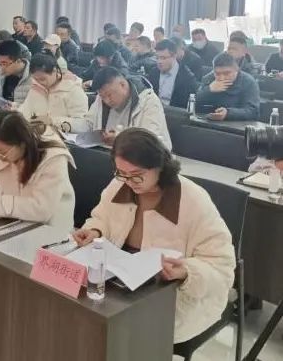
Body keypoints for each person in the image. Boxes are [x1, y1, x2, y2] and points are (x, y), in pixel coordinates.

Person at [73, 128, 235, 344]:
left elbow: (222, 268)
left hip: (174, 298)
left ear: (159, 166)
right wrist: (95, 232)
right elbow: (101, 218)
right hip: (120, 287)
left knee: (122, 337)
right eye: (121, 173)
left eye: (137, 174)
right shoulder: (120, 184)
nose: (129, 181)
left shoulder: (194, 200)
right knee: (81, 318)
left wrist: (187, 271)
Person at [0, 110, 76, 228]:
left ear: (22, 144)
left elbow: (41, 209)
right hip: (9, 223)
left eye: (3, 152)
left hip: (49, 228)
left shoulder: (53, 157)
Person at [71, 67, 172, 149]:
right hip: (108, 155)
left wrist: (121, 140)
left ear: (122, 85)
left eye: (109, 95)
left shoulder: (148, 101)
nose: (107, 101)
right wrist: (66, 125)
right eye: (103, 97)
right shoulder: (101, 98)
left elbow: (152, 142)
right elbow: (88, 124)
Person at [19, 53, 88, 132]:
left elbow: (83, 125)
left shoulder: (72, 90)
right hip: (37, 134)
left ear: (55, 71)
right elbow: (25, 112)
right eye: (36, 79)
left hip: (62, 137)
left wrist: (52, 121)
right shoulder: (35, 88)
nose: (39, 82)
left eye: (42, 79)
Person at [196, 53, 260, 121]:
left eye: (227, 73)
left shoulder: (249, 82)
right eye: (217, 74)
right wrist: (208, 90)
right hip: (208, 120)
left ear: (236, 70)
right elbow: (193, 102)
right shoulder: (209, 78)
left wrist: (228, 113)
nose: (222, 78)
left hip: (237, 124)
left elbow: (253, 112)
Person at [148, 39, 197, 109]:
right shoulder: (153, 72)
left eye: (163, 58)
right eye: (157, 58)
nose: (159, 62)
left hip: (175, 113)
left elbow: (185, 107)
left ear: (174, 56)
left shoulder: (187, 78)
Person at [0, 40, 32, 104]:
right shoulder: (0, 74)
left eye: (4, 64)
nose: (1, 68)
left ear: (18, 61)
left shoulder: (34, 76)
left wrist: (14, 107)